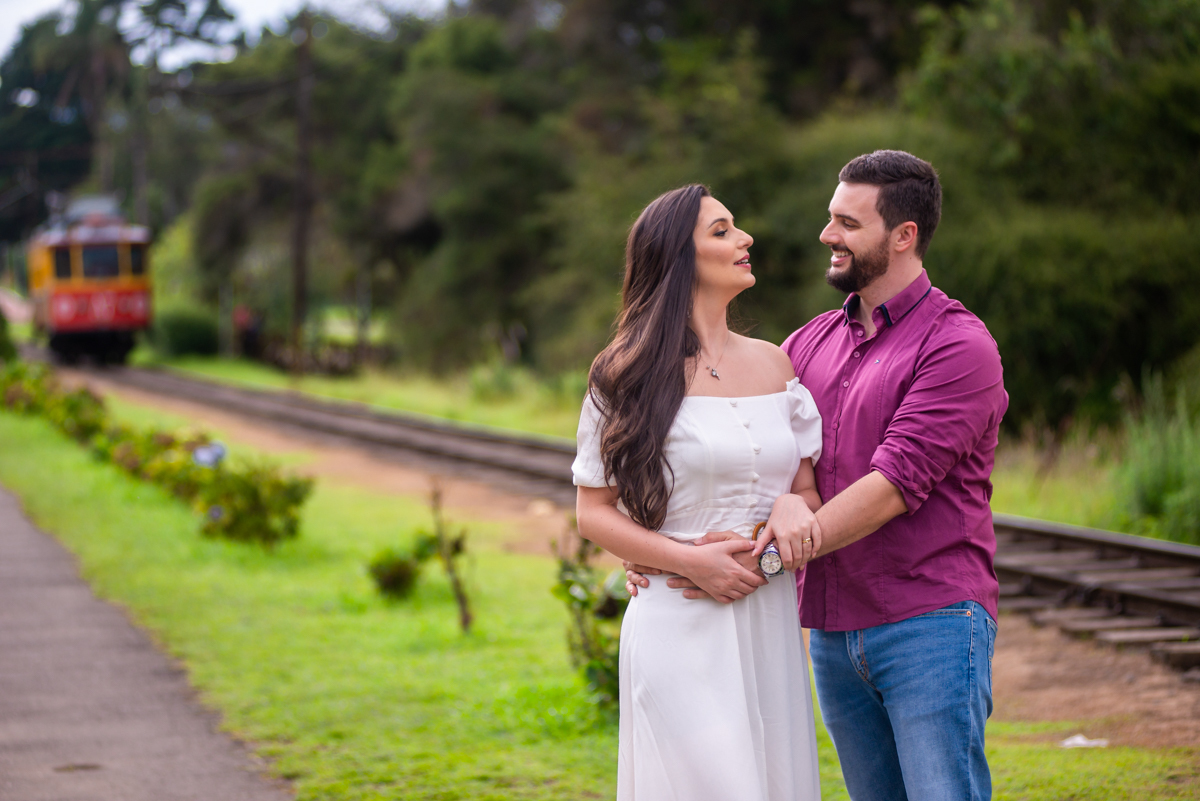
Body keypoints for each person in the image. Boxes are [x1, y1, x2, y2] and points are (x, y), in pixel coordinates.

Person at [630, 150, 1008, 800]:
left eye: (847, 223)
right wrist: (663, 551)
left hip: (930, 623)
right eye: (830, 217)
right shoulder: (804, 347)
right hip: (832, 632)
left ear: (903, 236)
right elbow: (760, 464)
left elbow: (892, 486)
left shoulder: (957, 345)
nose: (827, 235)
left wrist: (755, 562)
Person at [573, 184, 823, 801]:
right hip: (677, 616)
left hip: (767, 614)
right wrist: (688, 560)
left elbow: (809, 498)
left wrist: (791, 509)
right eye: (722, 230)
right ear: (678, 258)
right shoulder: (624, 372)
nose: (745, 240)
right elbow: (593, 513)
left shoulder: (776, 365)